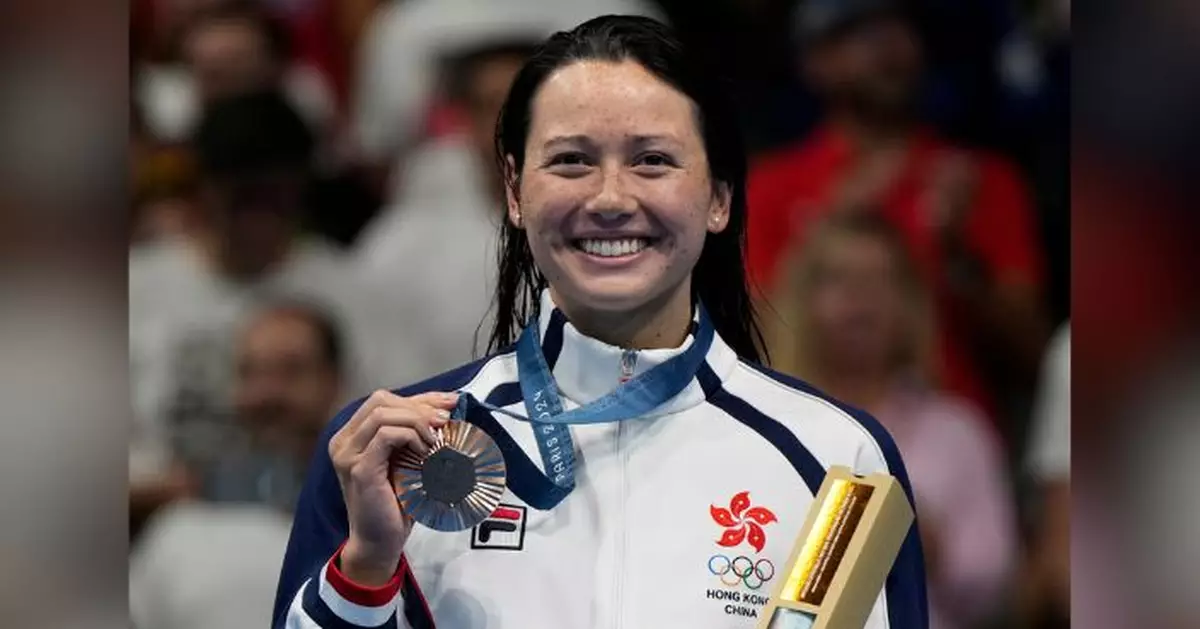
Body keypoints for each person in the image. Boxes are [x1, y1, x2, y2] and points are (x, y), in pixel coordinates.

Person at [273, 15, 927, 629]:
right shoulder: (391, 452)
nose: (610, 198)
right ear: (514, 191)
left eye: (652, 160)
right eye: (571, 161)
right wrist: (364, 570)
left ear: (720, 197)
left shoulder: (837, 457)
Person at [746, 0, 1050, 437]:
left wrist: (960, 258)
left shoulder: (979, 180)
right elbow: (753, 346)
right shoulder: (771, 188)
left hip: (954, 448)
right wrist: (831, 231)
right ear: (815, 62)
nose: (888, 47)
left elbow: (1037, 357)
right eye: (858, 32)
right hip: (810, 441)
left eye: (900, 26)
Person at [763, 213, 1016, 629]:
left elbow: (994, 585)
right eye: (839, 278)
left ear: (909, 301)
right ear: (803, 299)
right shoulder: (765, 425)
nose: (860, 297)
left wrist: (929, 547)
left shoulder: (957, 430)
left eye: (880, 280)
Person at [131, 301, 348, 629]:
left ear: (335, 382)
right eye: (251, 373)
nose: (267, 393)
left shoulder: (387, 522)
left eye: (291, 371)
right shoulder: (179, 529)